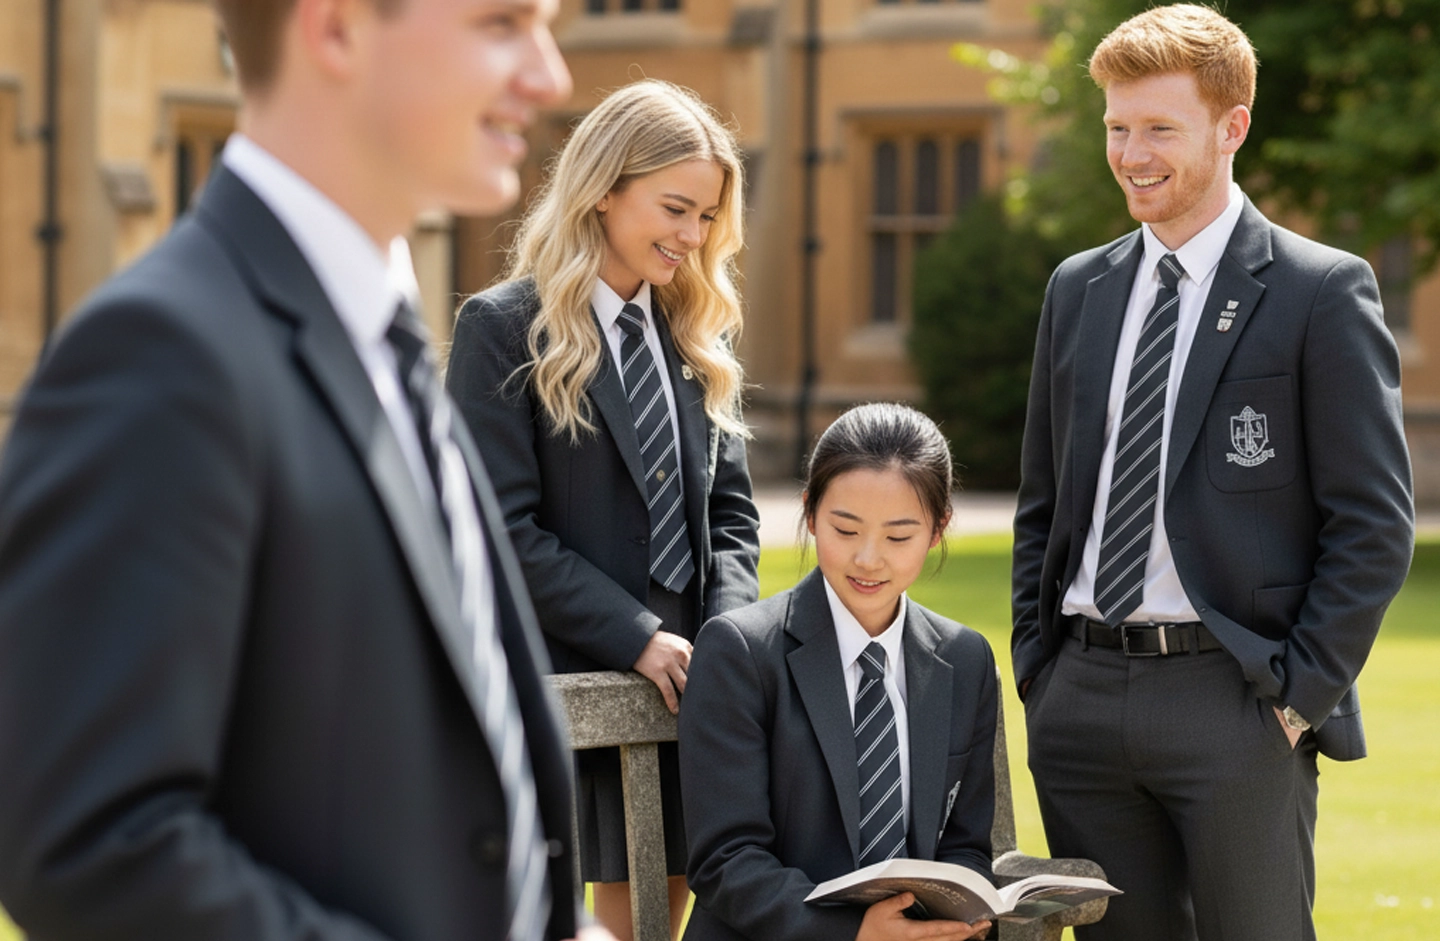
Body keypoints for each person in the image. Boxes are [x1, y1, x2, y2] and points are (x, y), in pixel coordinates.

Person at [0, 1, 602, 939]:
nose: (551, 76)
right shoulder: (161, 355)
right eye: (501, 23)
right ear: (336, 28)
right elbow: (91, 846)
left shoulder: (383, 341)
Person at [1011, 6, 1415, 941]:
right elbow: (1046, 499)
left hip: (1234, 699)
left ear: (1232, 127)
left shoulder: (1322, 290)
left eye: (1159, 128)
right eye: (1116, 126)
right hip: (1080, 699)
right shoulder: (1078, 288)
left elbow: (1374, 522)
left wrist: (1297, 694)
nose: (1130, 153)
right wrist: (1042, 670)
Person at [445, 79, 761, 941]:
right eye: (675, 208)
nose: (692, 237)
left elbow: (731, 514)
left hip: (698, 695)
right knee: (614, 927)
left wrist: (728, 642)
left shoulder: (698, 331)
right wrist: (635, 634)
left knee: (672, 916)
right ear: (605, 188)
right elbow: (496, 529)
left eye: (706, 217)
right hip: (577, 680)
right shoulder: (503, 329)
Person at [679, 402, 996, 941]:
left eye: (899, 537)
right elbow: (725, 860)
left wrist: (961, 916)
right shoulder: (741, 652)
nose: (869, 559)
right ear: (809, 512)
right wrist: (853, 932)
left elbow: (963, 845)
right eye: (845, 530)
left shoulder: (964, 660)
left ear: (938, 530)